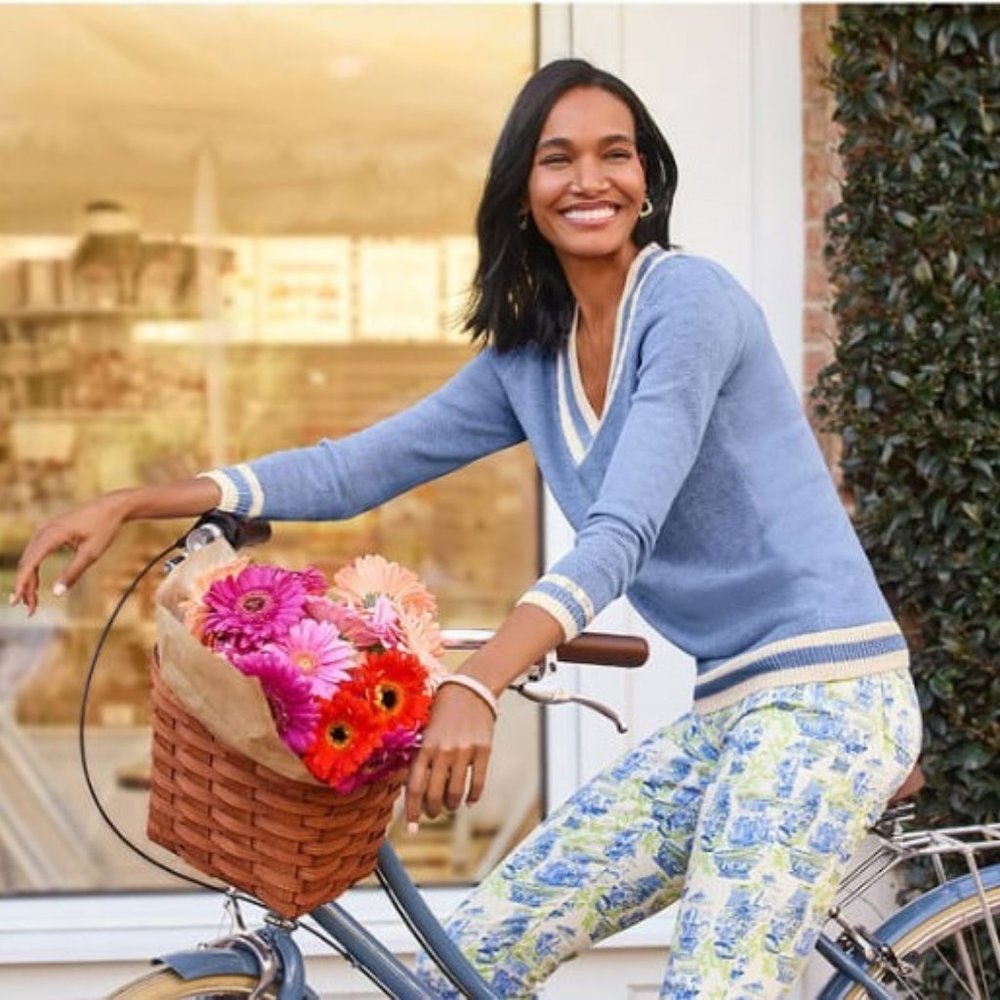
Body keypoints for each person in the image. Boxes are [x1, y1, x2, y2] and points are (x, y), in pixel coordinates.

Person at [12, 59, 921, 999]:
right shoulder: (531, 355)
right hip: (731, 711)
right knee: (471, 959)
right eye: (557, 159)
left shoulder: (691, 304)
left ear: (648, 177)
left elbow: (620, 532)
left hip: (830, 699)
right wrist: (134, 500)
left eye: (616, 154)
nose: (589, 180)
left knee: (720, 983)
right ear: (524, 195)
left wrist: (477, 687)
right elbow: (354, 467)